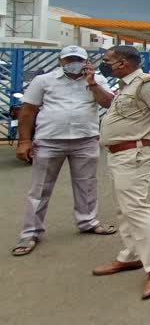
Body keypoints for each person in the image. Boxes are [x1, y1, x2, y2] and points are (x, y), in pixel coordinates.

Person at [12, 46, 117, 256]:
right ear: (61, 61)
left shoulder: (96, 80)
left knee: (87, 185)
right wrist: (24, 140)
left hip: (85, 139)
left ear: (86, 61)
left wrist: (92, 82)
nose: (73, 63)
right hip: (50, 140)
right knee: (40, 188)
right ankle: (31, 232)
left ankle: (88, 221)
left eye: (78, 59)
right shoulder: (44, 80)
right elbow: (28, 111)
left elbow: (109, 102)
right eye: (69, 59)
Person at [91, 46, 150, 299]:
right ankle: (131, 255)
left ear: (123, 63)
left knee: (136, 208)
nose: (104, 64)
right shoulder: (126, 86)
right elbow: (112, 105)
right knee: (124, 207)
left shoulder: (146, 84)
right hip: (120, 154)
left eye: (108, 60)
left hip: (135, 153)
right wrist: (91, 85)